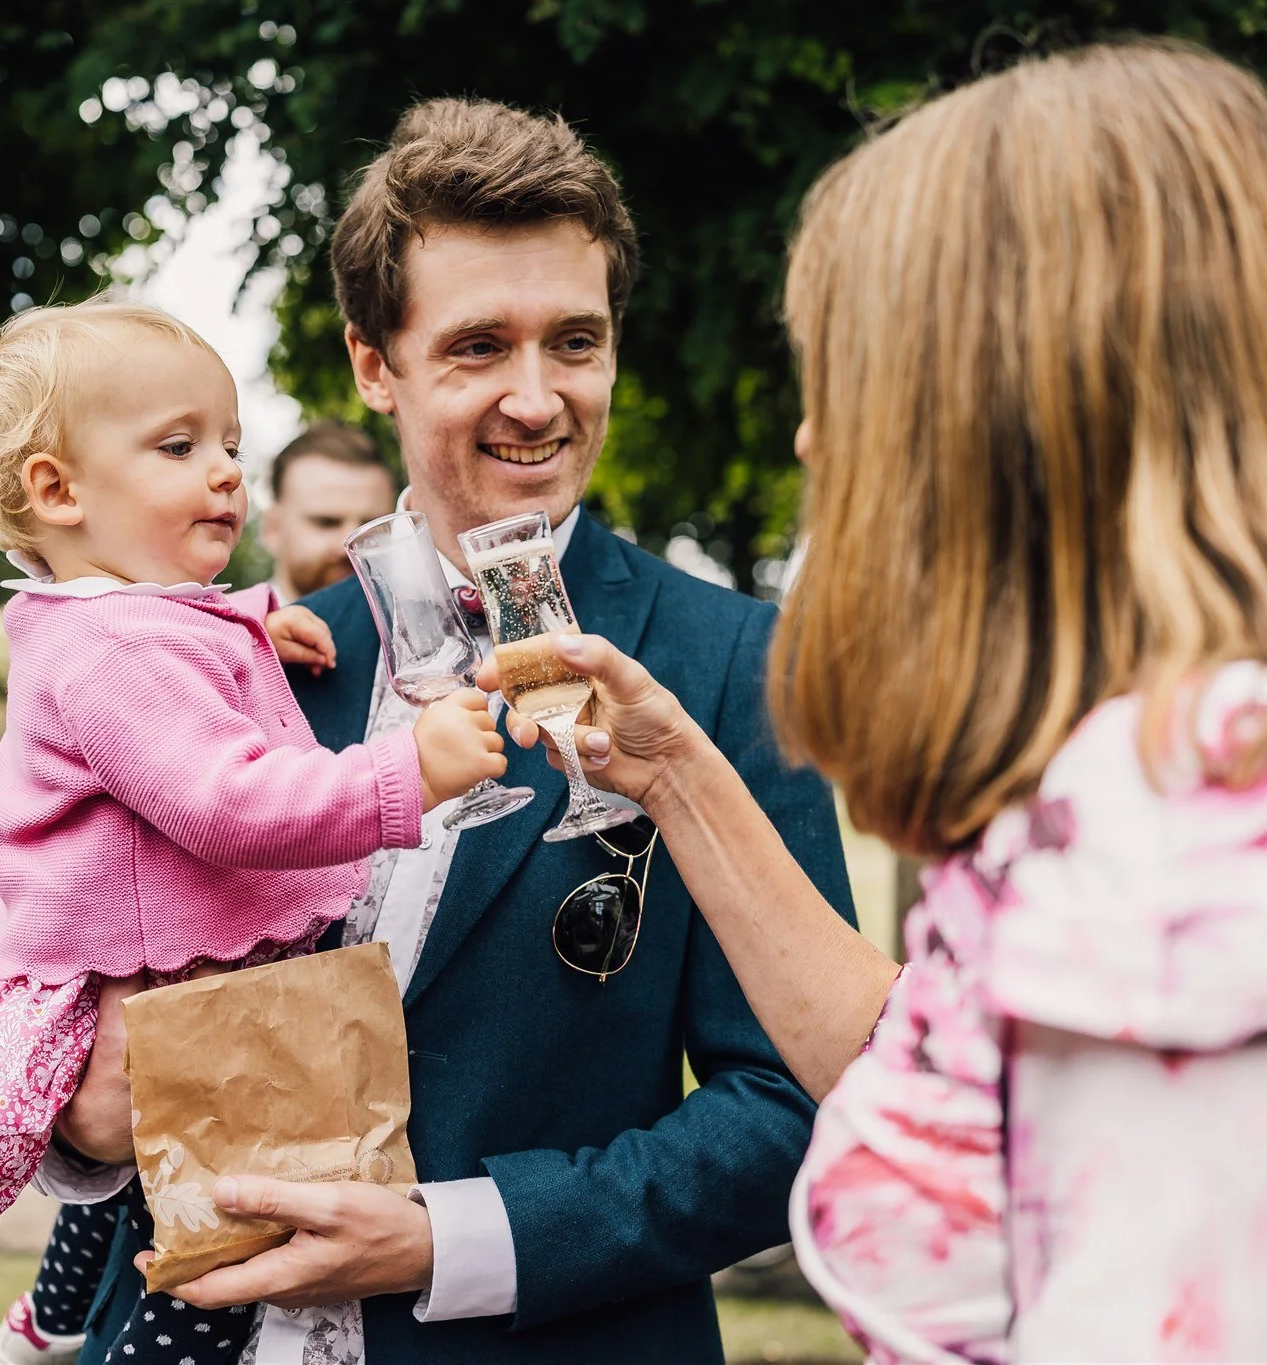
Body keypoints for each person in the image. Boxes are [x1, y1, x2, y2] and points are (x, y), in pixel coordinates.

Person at [487, 42, 1267, 1362]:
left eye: (847, 376)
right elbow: (954, 1077)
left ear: (995, 401)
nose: (814, 440)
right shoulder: (1249, 753)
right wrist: (675, 775)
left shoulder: (1197, 849)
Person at [62, 101, 856, 1365]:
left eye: (576, 343)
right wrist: (76, 1129)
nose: (536, 400)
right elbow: (67, 965)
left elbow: (795, 1103)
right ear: (374, 367)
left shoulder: (725, 665)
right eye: (478, 346)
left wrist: (454, 1237)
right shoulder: (223, 666)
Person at [0, 299, 504, 1365]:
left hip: (156, 977)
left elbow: (161, 631)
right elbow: (223, 799)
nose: (226, 471)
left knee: (190, 1224)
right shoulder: (117, 652)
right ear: (57, 490)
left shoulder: (122, 620)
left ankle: (49, 1319)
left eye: (231, 445)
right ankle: (75, 1329)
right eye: (179, 445)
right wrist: (403, 775)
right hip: (157, 984)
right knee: (220, 1256)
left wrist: (244, 623)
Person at [258, 420, 397, 604]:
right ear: (273, 528)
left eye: (371, 527)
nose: (349, 548)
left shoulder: (418, 628)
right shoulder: (223, 631)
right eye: (327, 523)